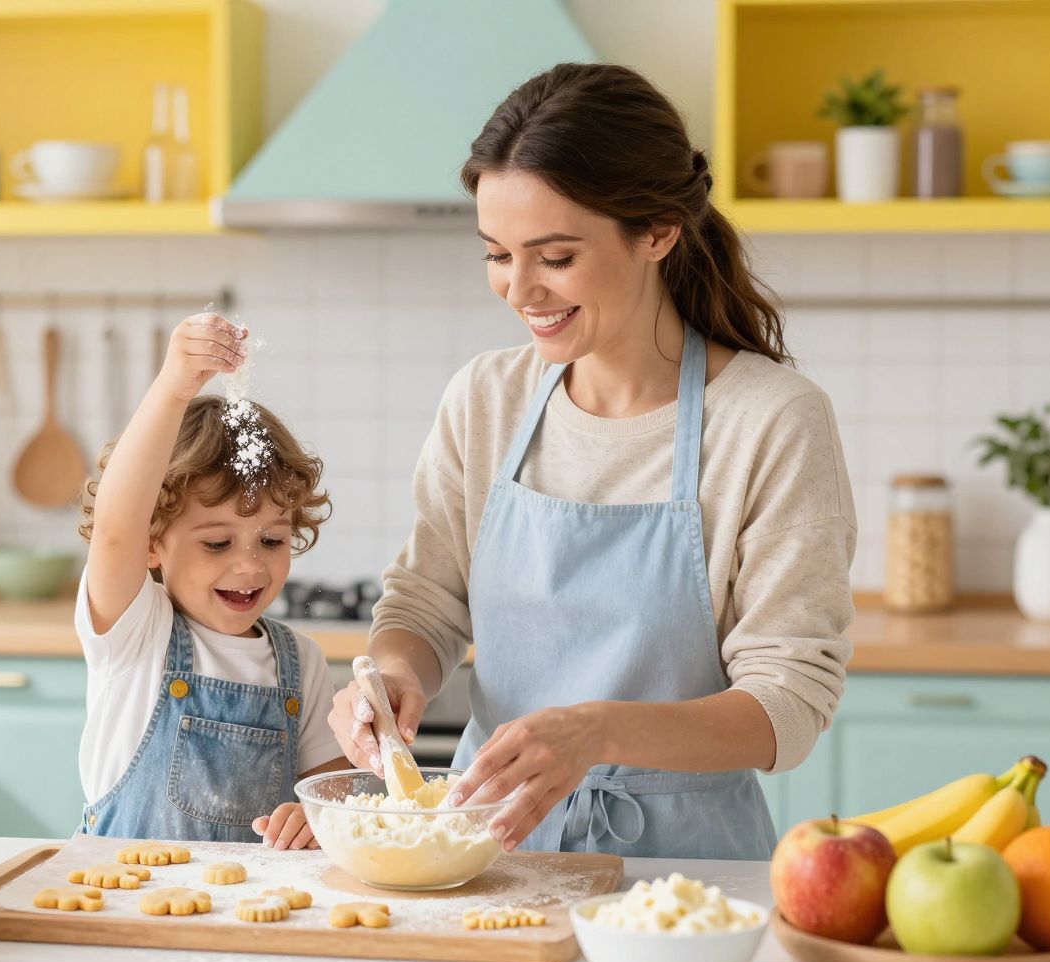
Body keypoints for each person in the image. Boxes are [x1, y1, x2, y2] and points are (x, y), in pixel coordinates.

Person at [329, 63, 856, 859]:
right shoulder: (486, 399)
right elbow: (426, 602)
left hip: (687, 878)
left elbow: (788, 704)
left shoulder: (770, 420)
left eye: (555, 257)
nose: (519, 290)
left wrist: (598, 732)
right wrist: (394, 675)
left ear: (658, 232)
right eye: (497, 254)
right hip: (484, 853)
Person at [76, 311, 348, 849]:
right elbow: (115, 530)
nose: (250, 566)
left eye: (271, 540)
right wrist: (172, 389)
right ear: (152, 541)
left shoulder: (301, 663)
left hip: (255, 901)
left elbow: (334, 792)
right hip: (129, 893)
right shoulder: (137, 634)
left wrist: (317, 817)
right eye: (217, 543)